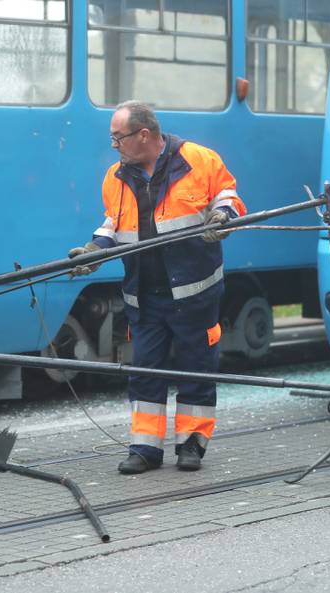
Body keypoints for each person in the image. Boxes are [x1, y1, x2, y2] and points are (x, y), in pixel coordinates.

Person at [69, 100, 246, 474]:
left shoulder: (200, 160)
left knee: (196, 369)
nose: (114, 145)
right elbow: (113, 226)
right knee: (145, 371)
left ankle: (191, 445)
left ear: (143, 135)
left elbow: (228, 197)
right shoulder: (115, 177)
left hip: (194, 293)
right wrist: (92, 253)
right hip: (145, 297)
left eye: (118, 138)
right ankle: (145, 448)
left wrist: (222, 217)